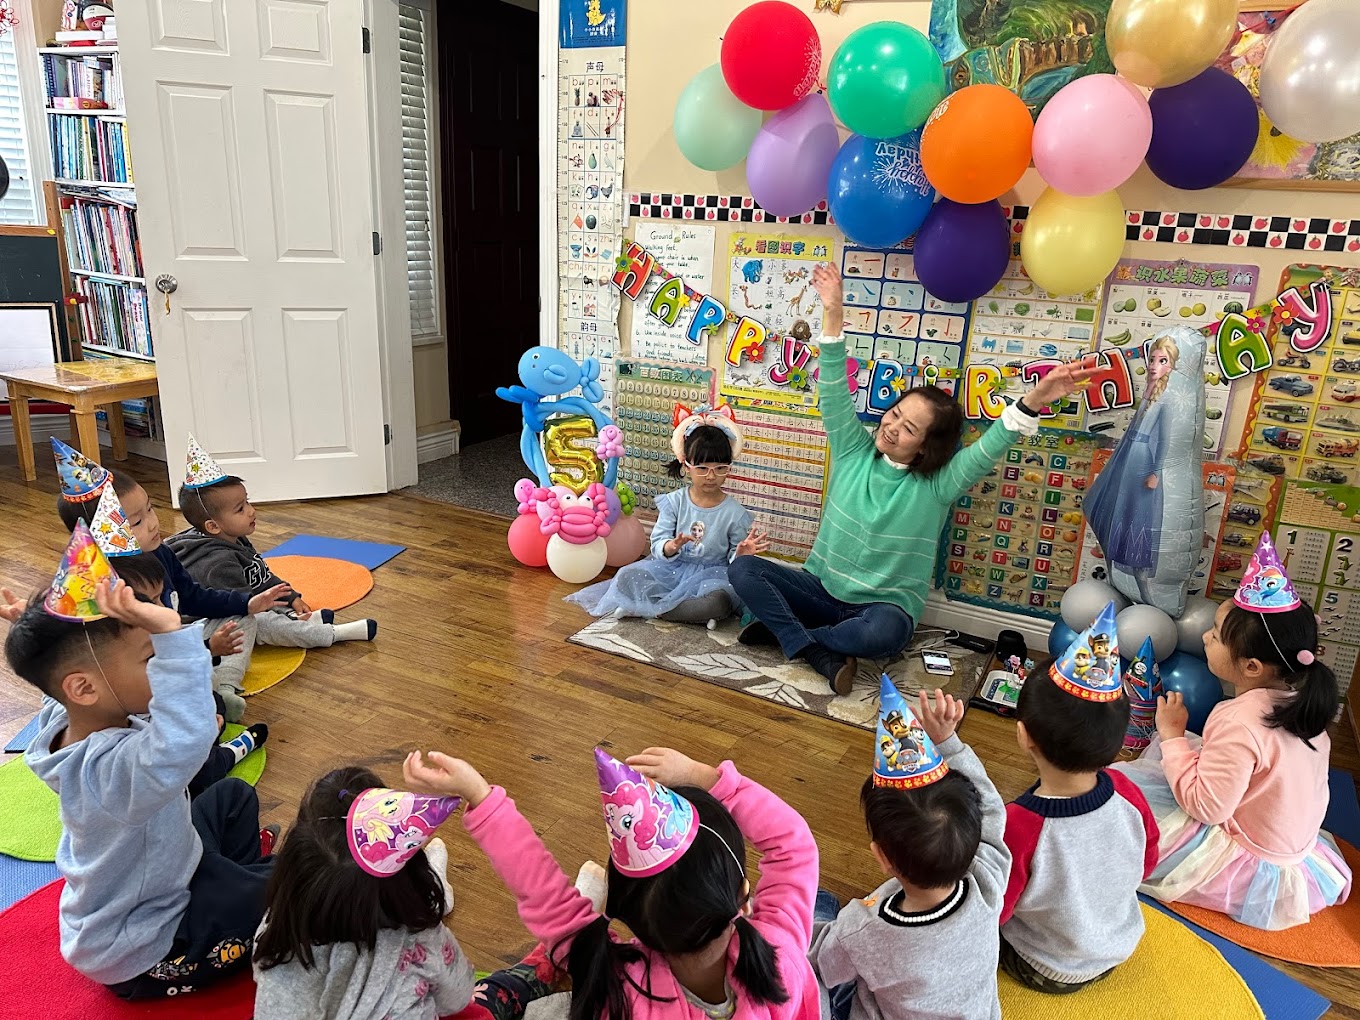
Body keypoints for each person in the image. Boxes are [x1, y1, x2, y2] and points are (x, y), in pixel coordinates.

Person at [729, 263, 1093, 695]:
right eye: (895, 414)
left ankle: (789, 634)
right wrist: (833, 311)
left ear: (925, 447)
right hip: (821, 591)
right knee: (744, 571)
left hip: (880, 610)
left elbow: (990, 447)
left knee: (881, 635)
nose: (892, 427)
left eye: (909, 428)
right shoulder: (853, 450)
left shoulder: (937, 485)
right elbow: (833, 388)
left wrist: (1036, 397)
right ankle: (813, 649)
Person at [7, 533, 274, 999]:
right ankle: (246, 899)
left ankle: (237, 890)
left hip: (171, 870)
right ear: (84, 689)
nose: (162, 665)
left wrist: (34, 633)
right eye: (152, 658)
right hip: (149, 941)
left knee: (233, 797)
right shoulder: (106, 772)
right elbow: (188, 741)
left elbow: (59, 687)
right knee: (305, 883)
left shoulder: (73, 715)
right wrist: (172, 635)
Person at [401, 743, 821, 1020]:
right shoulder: (782, 953)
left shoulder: (618, 988)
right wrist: (709, 778)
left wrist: (481, 796)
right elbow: (794, 847)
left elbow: (546, 895)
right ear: (744, 898)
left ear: (626, 914)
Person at [1113, 533, 1352, 930]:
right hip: (1298, 857)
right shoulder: (1303, 704)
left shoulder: (1238, 720)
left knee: (1120, 793)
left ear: (1252, 667)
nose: (1205, 637)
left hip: (1247, 866)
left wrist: (1171, 736)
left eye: (1216, 634)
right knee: (1188, 749)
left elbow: (1207, 809)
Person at [50, 437, 291, 722]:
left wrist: (246, 603)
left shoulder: (161, 552)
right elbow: (139, 659)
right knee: (205, 703)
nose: (153, 523)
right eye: (137, 522)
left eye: (150, 509)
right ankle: (215, 689)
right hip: (141, 670)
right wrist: (207, 649)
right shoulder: (110, 587)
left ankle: (225, 683)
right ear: (103, 534)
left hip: (176, 642)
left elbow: (192, 596)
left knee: (243, 620)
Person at [811, 679, 1010, 1020]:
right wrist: (948, 743)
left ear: (881, 856)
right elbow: (991, 808)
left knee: (818, 904)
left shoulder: (863, 928)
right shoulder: (988, 881)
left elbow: (818, 967)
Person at [1000, 608, 1158, 994]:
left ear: (1023, 736)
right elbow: (1147, 861)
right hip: (1117, 946)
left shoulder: (1018, 823)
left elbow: (996, 908)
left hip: (1046, 967)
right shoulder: (1126, 789)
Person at [163, 437, 379, 710]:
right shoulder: (215, 563)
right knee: (259, 622)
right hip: (207, 623)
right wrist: (279, 613)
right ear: (213, 526)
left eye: (247, 502)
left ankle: (301, 623)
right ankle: (329, 634)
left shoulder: (233, 537)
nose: (251, 511)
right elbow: (243, 607)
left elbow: (261, 575)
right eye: (240, 509)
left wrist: (290, 597)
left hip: (237, 608)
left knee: (262, 616)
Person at [252, 766, 477, 1020]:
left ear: (292, 871)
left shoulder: (277, 928)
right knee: (501, 988)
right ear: (409, 877)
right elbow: (459, 998)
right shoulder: (419, 937)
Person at [568, 405, 767, 626]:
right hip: (670, 570)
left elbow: (734, 564)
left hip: (711, 577)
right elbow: (658, 543)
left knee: (718, 602)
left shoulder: (735, 513)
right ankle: (685, 612)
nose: (711, 476)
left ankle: (651, 609)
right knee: (626, 576)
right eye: (702, 468)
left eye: (720, 468)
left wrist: (740, 555)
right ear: (686, 465)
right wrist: (671, 546)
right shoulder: (674, 502)